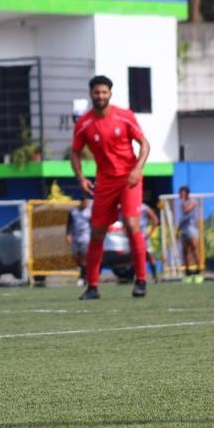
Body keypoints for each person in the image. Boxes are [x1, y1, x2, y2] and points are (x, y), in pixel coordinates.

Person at [71, 75, 151, 300]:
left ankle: (141, 280)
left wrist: (137, 169)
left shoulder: (124, 117)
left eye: (104, 92)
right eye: (97, 92)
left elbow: (145, 144)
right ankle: (93, 287)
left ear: (110, 94)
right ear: (91, 94)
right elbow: (74, 152)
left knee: (131, 223)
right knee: (96, 233)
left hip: (129, 179)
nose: (100, 96)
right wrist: (81, 178)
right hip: (104, 182)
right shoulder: (84, 123)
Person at [66, 196, 93, 285]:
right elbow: (69, 224)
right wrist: (68, 234)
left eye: (87, 202)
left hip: (86, 237)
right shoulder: (73, 212)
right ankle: (84, 273)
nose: (86, 204)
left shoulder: (89, 212)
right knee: (75, 257)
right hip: (75, 237)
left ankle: (83, 277)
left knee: (83, 257)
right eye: (84, 202)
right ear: (81, 202)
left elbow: (92, 224)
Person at [177, 186, 202, 281]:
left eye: (181, 192)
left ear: (186, 193)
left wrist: (183, 203)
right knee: (185, 251)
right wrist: (178, 229)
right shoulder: (181, 204)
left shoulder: (192, 201)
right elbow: (182, 218)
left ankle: (199, 271)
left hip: (192, 230)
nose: (180, 195)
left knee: (195, 250)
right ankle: (188, 273)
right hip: (184, 230)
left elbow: (187, 210)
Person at [140, 200, 161, 283]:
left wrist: (149, 234)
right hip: (132, 236)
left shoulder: (144, 207)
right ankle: (135, 277)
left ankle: (155, 276)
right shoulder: (128, 206)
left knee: (149, 255)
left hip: (143, 237)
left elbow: (155, 220)